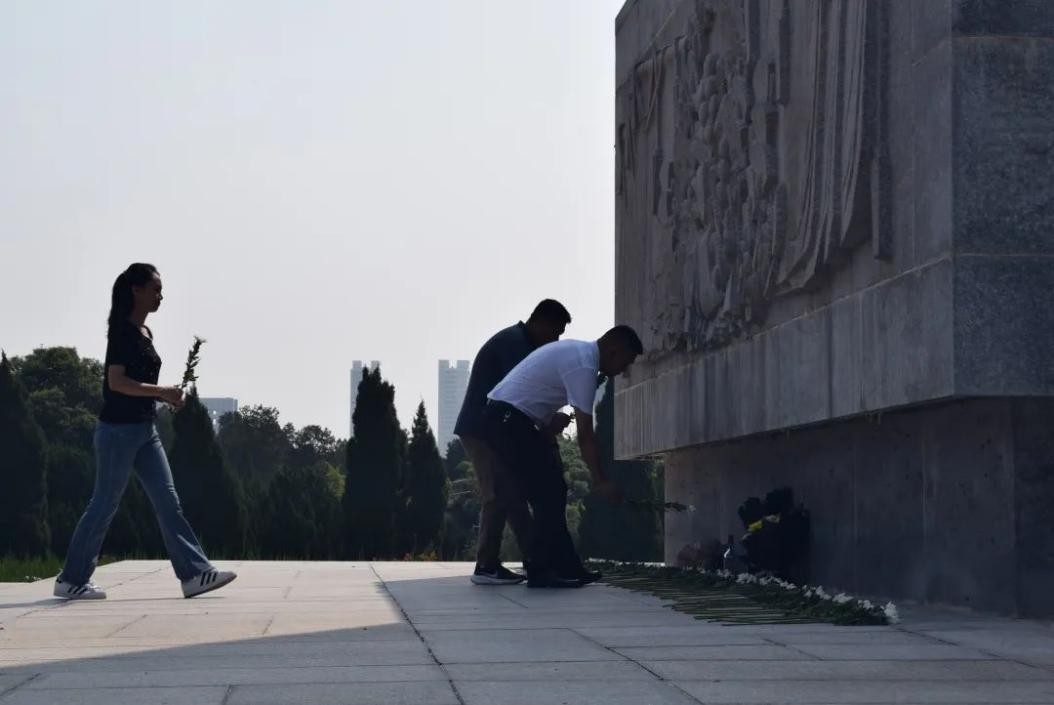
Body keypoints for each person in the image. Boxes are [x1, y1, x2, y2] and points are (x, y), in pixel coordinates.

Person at [54, 263, 237, 600]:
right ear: (136, 290)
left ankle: (194, 575)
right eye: (155, 289)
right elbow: (116, 382)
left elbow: (138, 385)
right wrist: (160, 391)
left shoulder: (145, 333)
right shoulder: (122, 332)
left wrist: (166, 396)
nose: (160, 296)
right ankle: (71, 580)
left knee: (169, 503)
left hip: (144, 431)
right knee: (104, 504)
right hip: (116, 433)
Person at [484, 325, 644, 588]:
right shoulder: (584, 365)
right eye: (625, 363)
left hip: (512, 420)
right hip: (507, 420)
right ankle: (541, 570)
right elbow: (585, 435)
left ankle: (566, 566)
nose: (623, 371)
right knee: (548, 492)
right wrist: (601, 480)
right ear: (614, 351)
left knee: (553, 490)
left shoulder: (579, 353)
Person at [454, 299, 572, 585]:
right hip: (482, 429)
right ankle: (486, 565)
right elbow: (519, 397)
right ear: (541, 322)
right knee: (497, 493)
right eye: (554, 333)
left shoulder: (517, 342)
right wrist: (548, 421)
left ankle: (534, 561)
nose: (554, 341)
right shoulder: (515, 347)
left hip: (493, 428)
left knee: (512, 493)